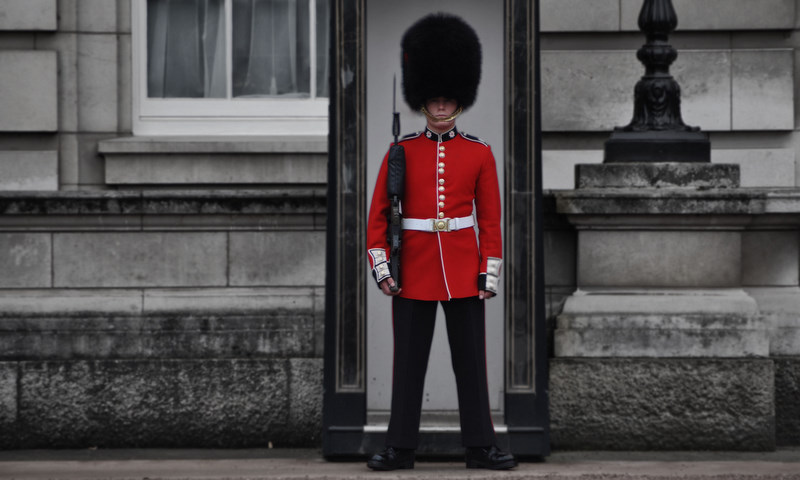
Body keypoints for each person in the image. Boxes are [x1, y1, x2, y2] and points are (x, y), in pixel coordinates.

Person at [365, 12, 516, 471]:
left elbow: (490, 220)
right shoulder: (401, 152)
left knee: (471, 363)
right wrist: (383, 269)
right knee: (408, 365)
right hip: (412, 267)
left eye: (449, 98)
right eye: (434, 97)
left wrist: (488, 272)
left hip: (464, 268)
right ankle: (400, 447)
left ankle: (480, 446)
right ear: (422, 100)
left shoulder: (479, 153)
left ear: (460, 100)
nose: (442, 105)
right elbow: (377, 218)